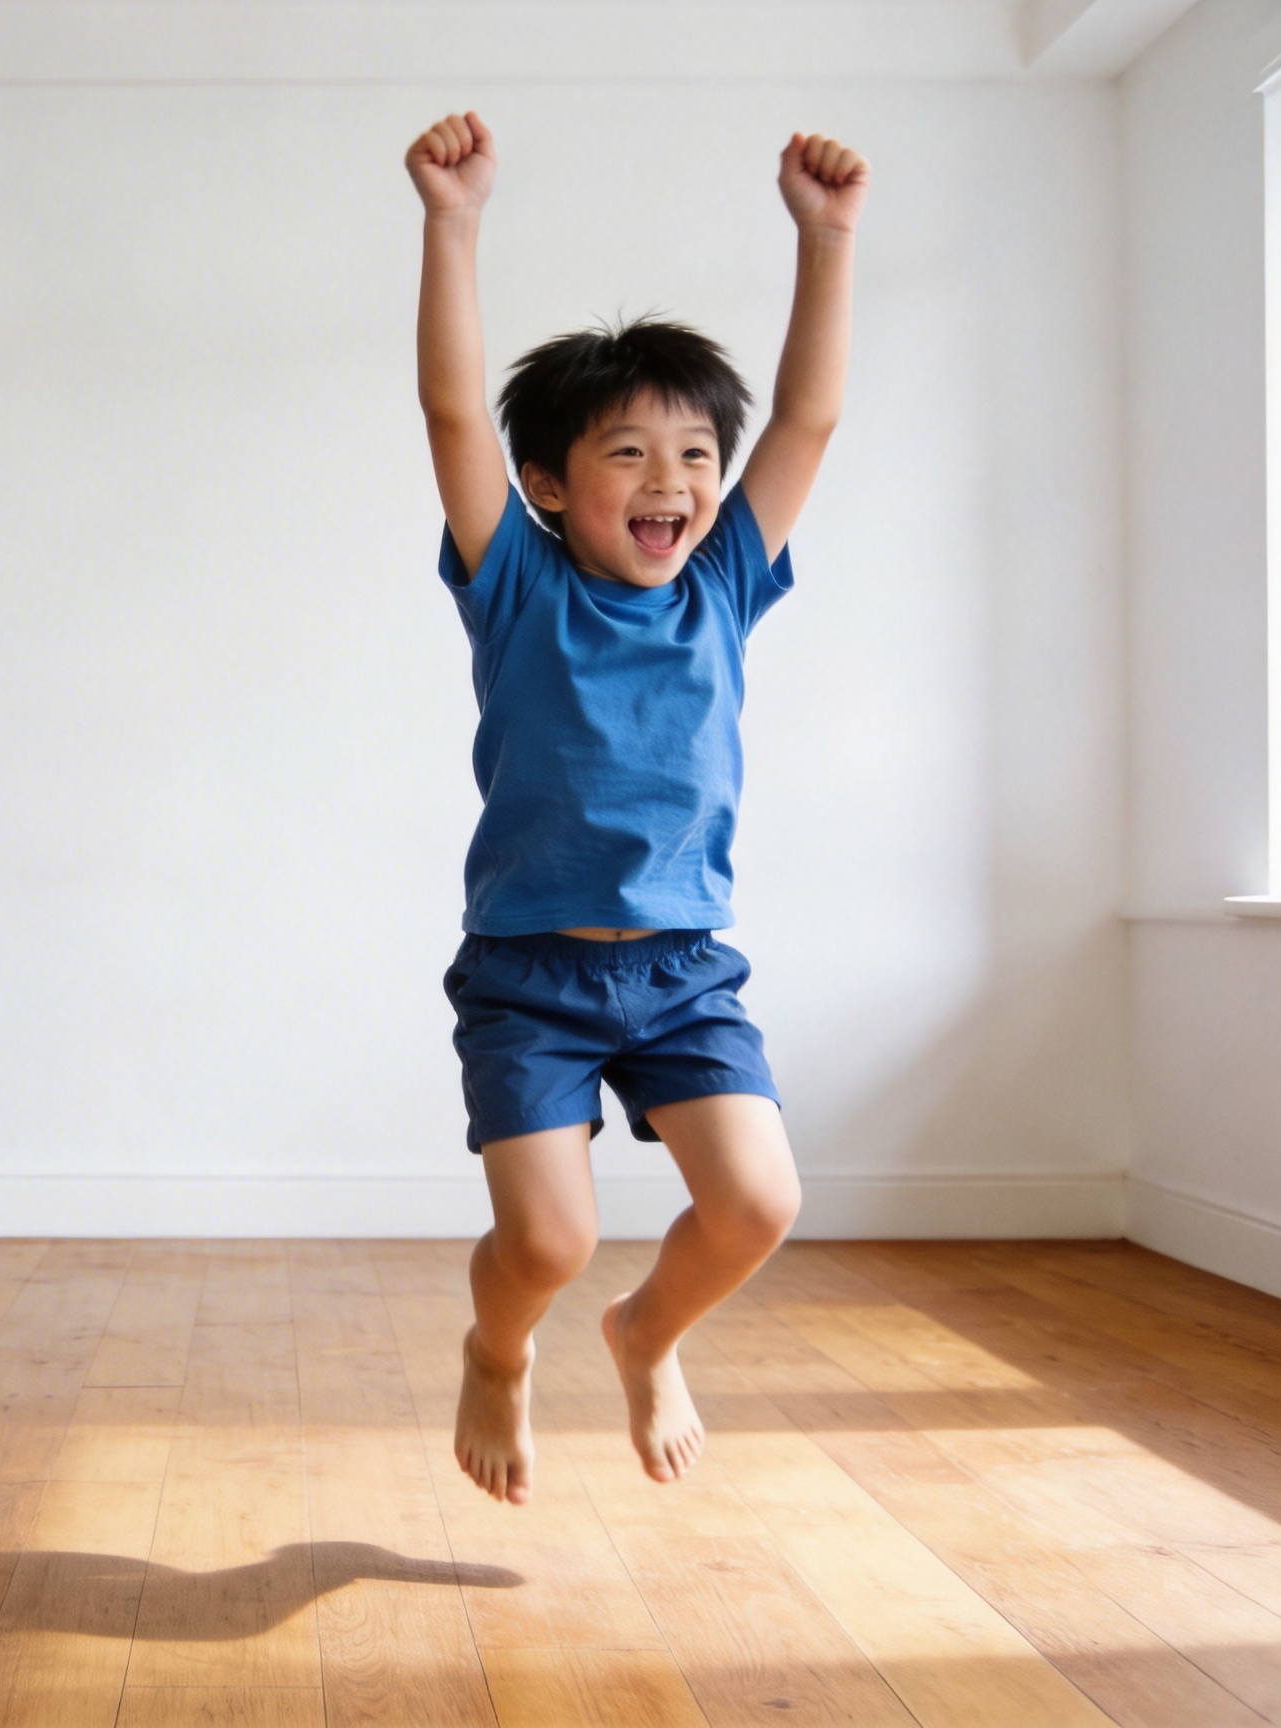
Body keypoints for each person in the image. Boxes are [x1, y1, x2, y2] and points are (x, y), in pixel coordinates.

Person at [405, 112, 869, 1502]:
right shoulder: (521, 584)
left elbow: (807, 418)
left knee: (758, 1203)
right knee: (543, 1242)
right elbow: (447, 412)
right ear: (549, 487)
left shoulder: (723, 584)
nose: (669, 482)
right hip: (532, 976)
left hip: (681, 974)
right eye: (625, 456)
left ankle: (645, 1333)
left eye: (689, 457)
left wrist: (828, 241)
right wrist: (453, 221)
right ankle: (501, 1349)